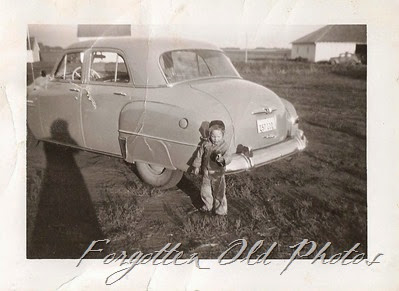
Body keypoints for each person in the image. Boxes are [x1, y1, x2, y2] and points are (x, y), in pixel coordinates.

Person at [193, 120, 232, 215]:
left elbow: (228, 157)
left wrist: (222, 160)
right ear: (209, 134)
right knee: (205, 191)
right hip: (206, 172)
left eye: (218, 136)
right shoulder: (205, 144)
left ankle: (220, 211)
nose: (215, 139)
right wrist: (196, 166)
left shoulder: (224, 146)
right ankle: (207, 206)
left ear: (223, 135)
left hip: (217, 174)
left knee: (219, 193)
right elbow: (199, 155)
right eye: (213, 136)